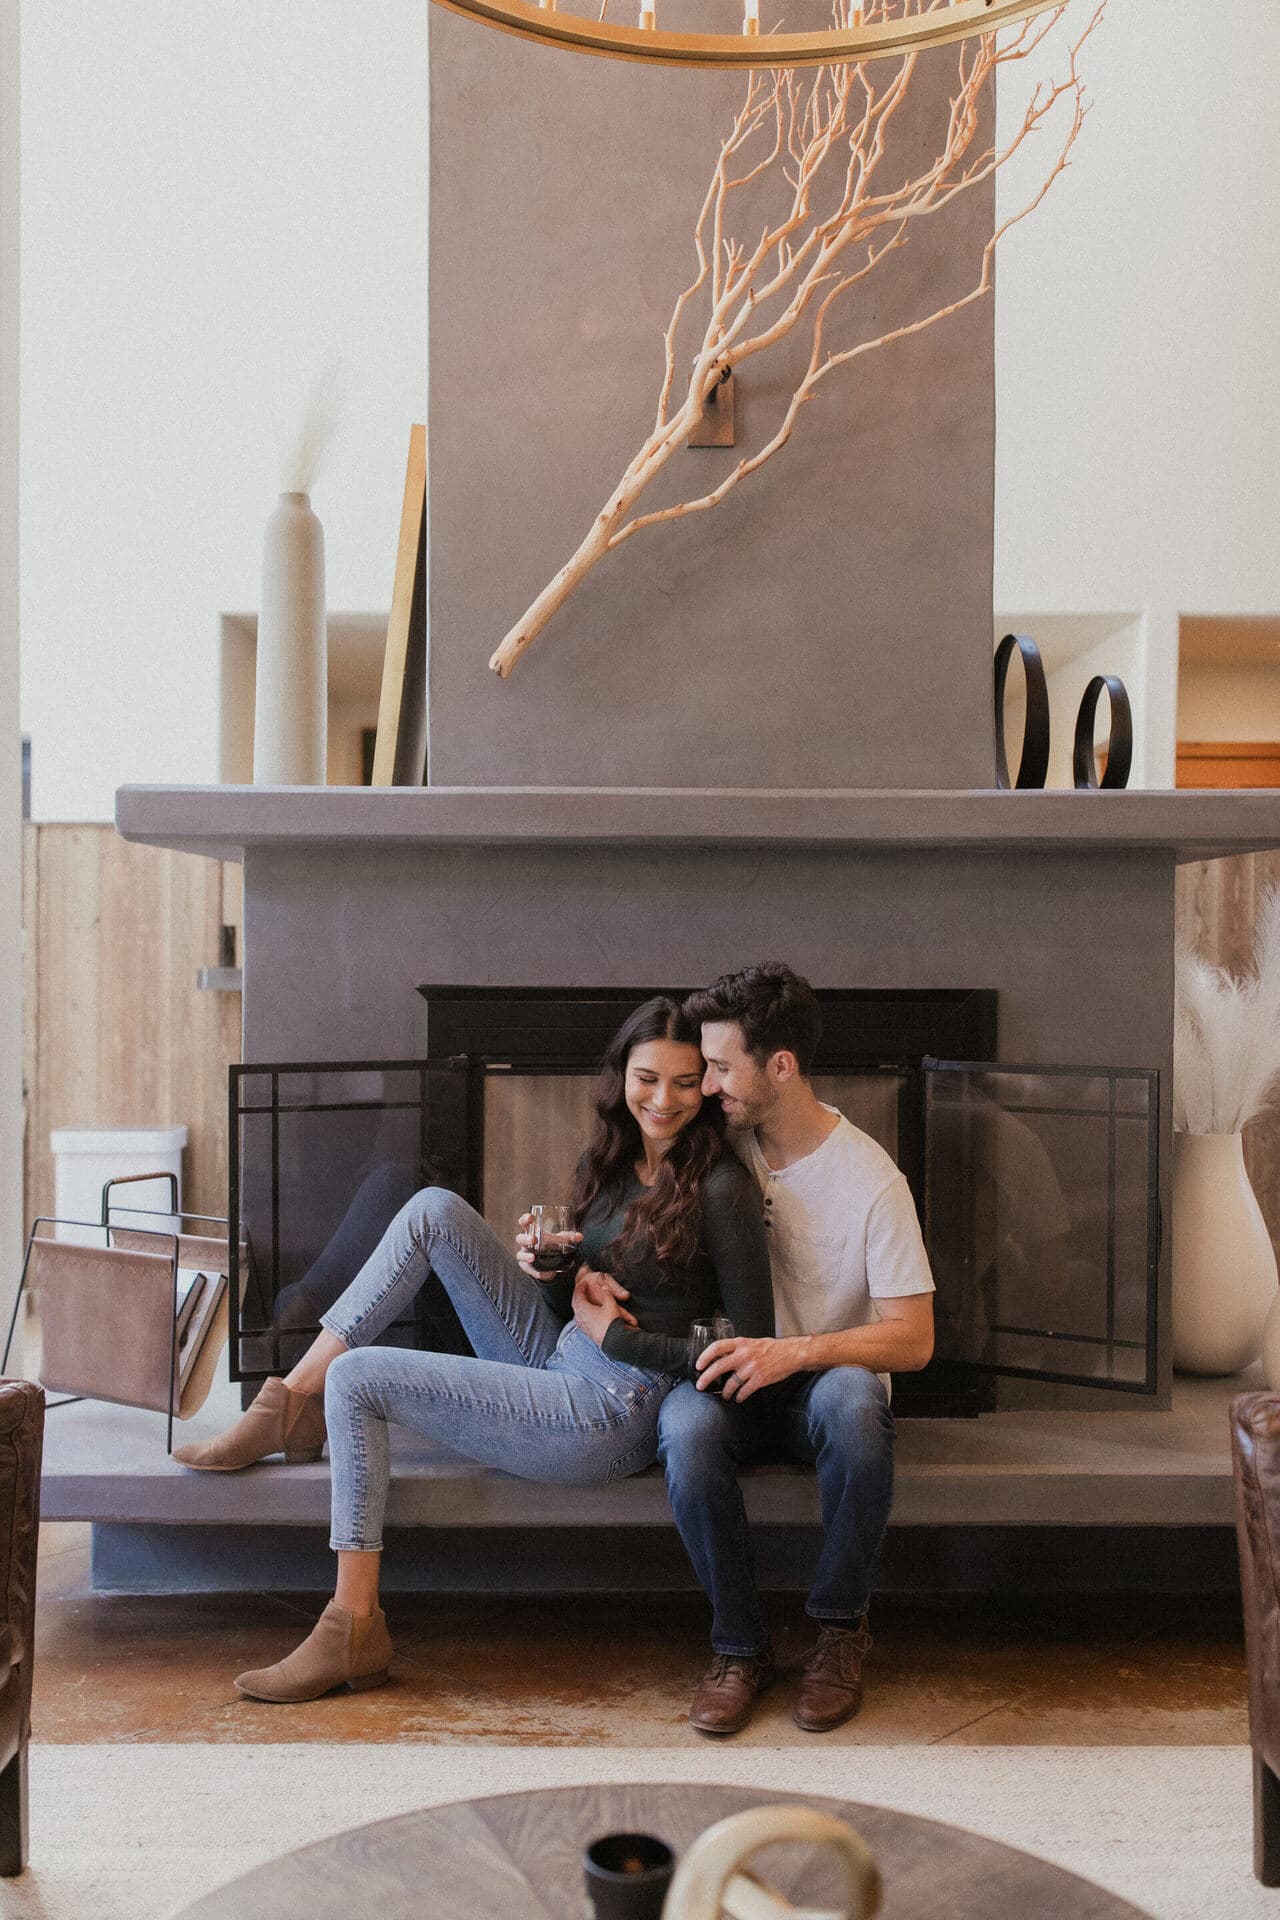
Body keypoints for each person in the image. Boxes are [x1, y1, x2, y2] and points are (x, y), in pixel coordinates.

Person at [173, 996, 774, 1704]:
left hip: (611, 1410)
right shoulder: (607, 1161)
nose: (664, 1099)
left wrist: (617, 1338)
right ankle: (292, 1398)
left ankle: (353, 1625)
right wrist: (554, 1274)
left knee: (360, 1380)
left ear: (706, 1085)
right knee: (432, 1209)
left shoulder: (722, 1187)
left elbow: (749, 1348)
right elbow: (564, 1307)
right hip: (558, 1357)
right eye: (648, 1078)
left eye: (683, 1081)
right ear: (622, 1078)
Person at [640, 963, 934, 1736]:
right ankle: (739, 1648)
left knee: (855, 1399)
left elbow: (914, 1338)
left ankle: (839, 1634)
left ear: (781, 1065)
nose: (703, 1085)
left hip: (817, 1393)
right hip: (731, 1382)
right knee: (685, 1426)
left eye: (720, 1066)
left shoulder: (872, 1181)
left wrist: (794, 1353)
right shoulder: (716, 1148)